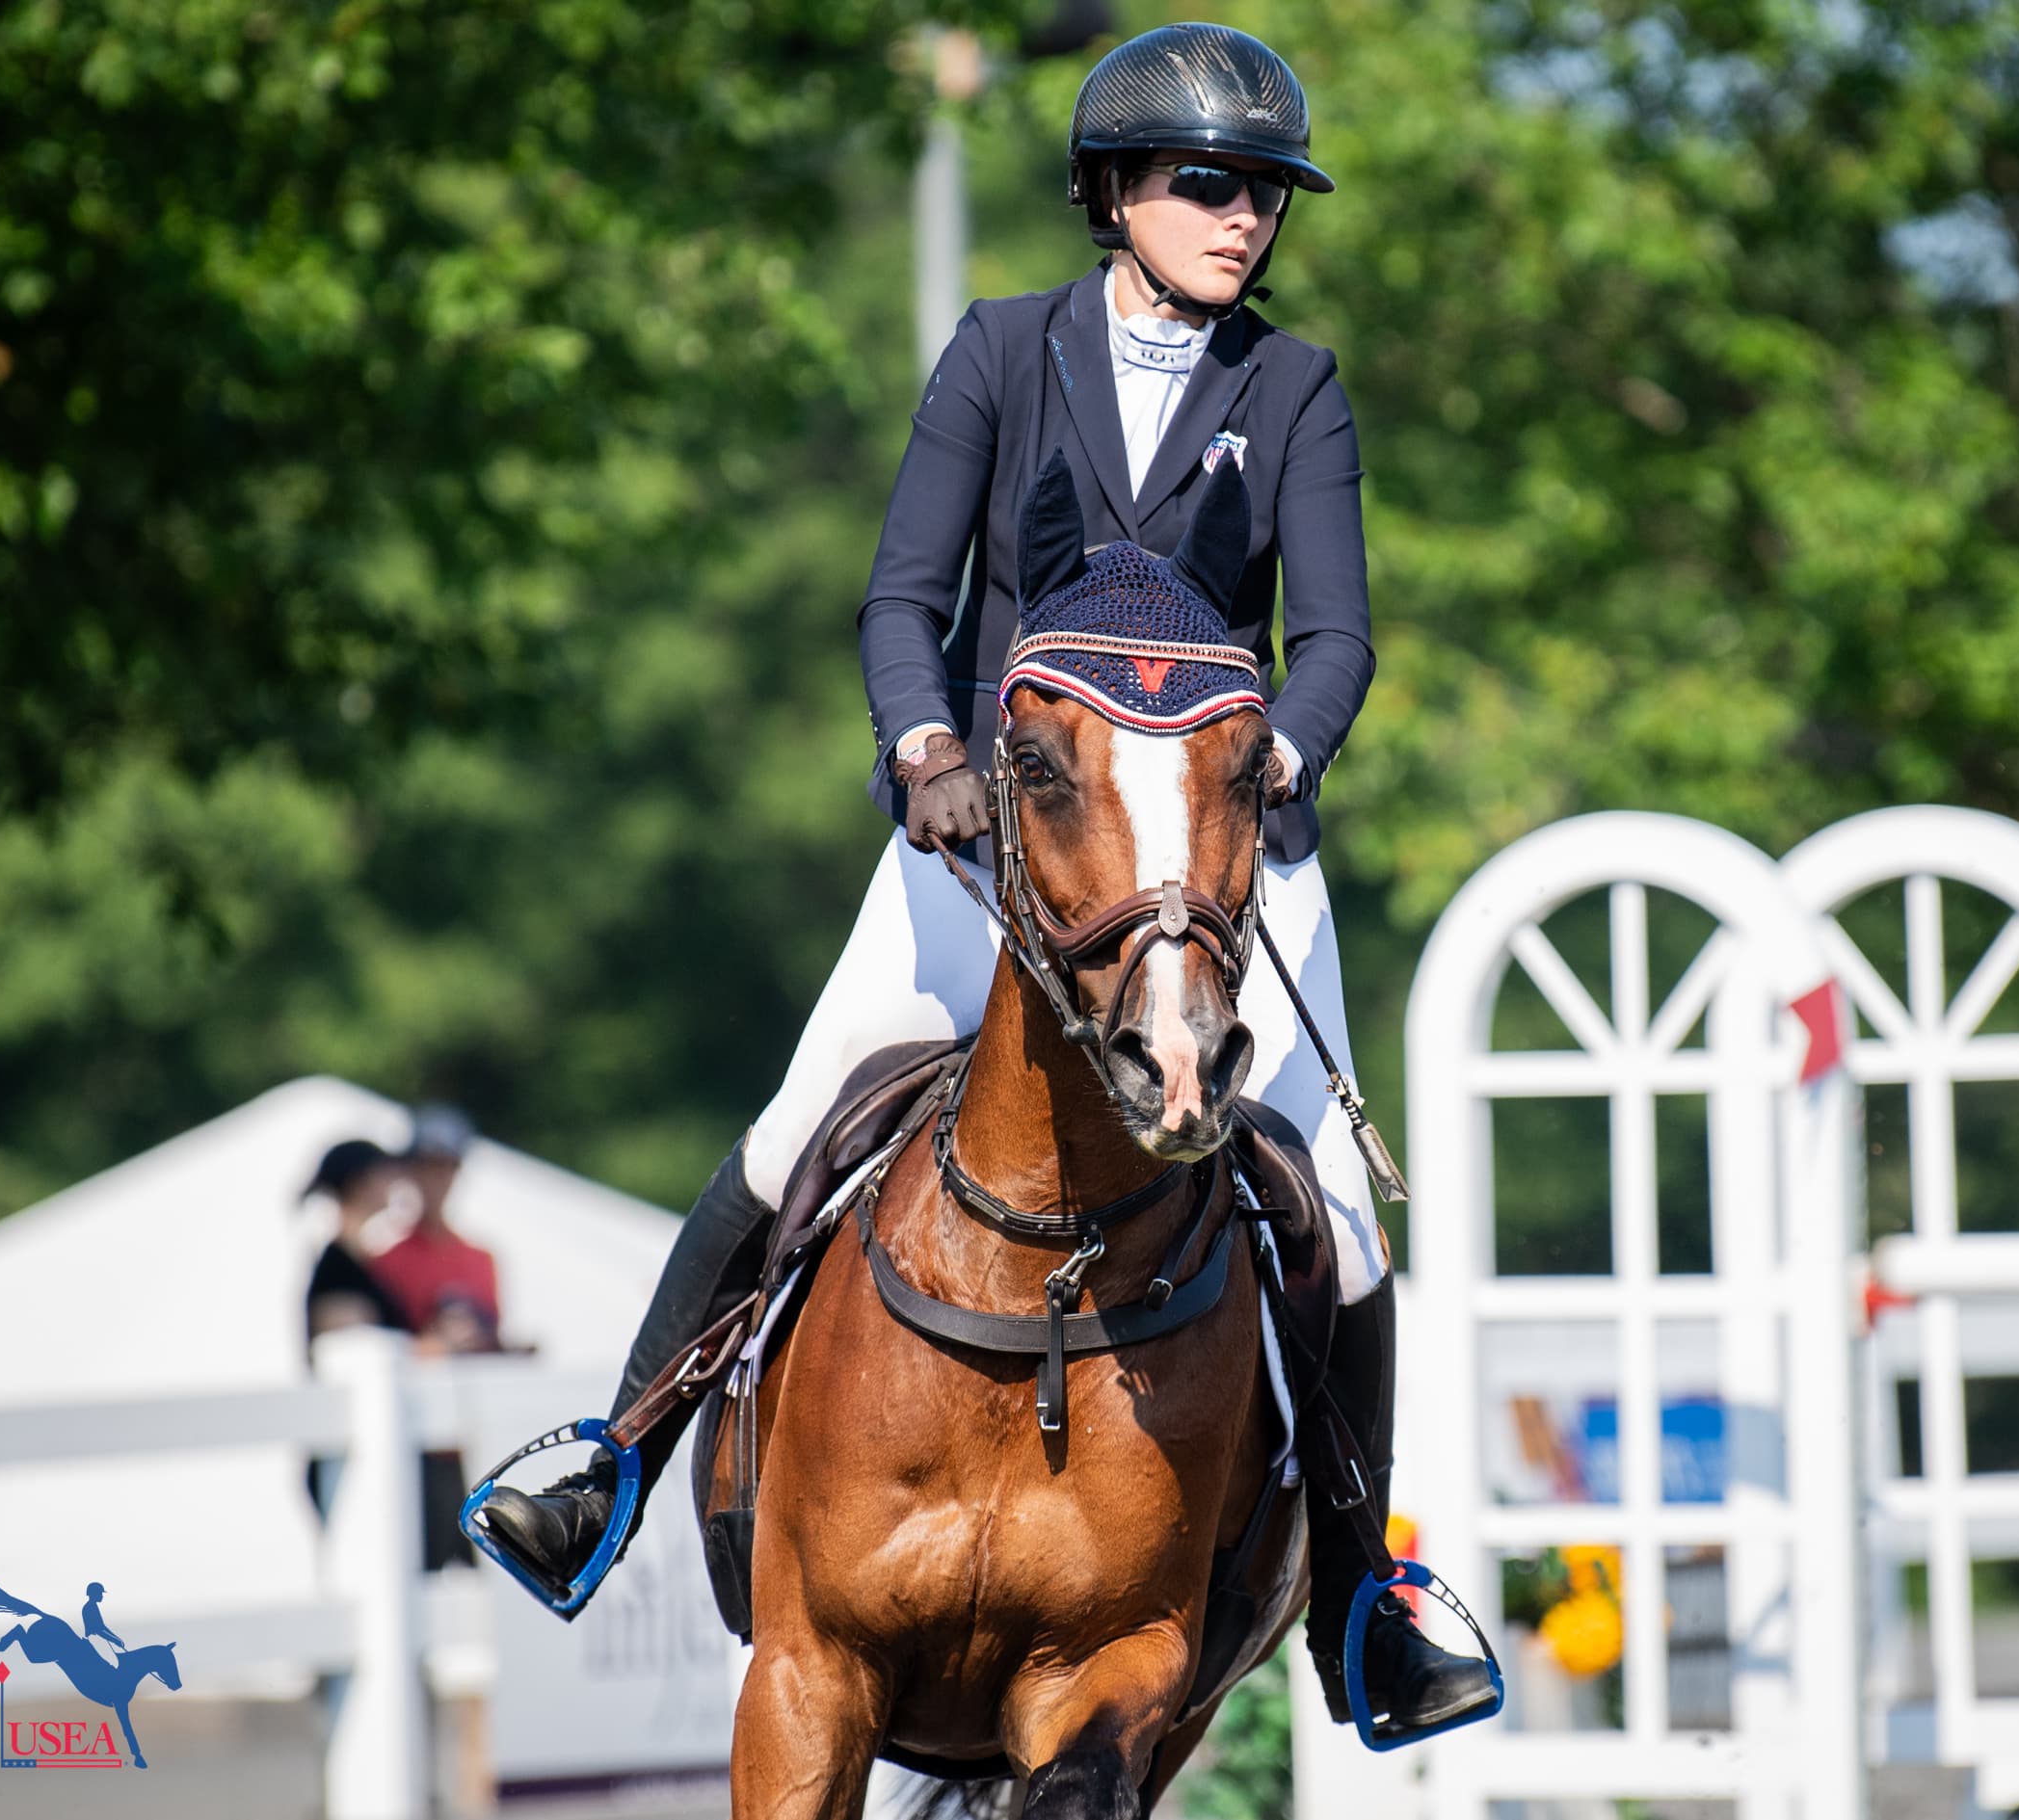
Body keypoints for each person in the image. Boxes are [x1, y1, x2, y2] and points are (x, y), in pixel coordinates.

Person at [476, 21, 1495, 1735]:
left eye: (1265, 193)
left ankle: (1359, 1591)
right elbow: (905, 597)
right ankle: (615, 1457)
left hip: (1217, 860)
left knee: (1339, 1212)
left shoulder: (1293, 386)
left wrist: (1277, 762)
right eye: (1209, 183)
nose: (1244, 216)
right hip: (994, 846)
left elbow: (1335, 636)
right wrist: (923, 749)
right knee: (797, 1126)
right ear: (1114, 191)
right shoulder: (1002, 350)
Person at [365, 1105, 504, 1356]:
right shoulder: (387, 1263)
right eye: (427, 1166)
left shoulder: (481, 1260)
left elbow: (492, 1339)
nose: (435, 1179)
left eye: (444, 1166)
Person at [302, 1138, 412, 1346]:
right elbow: (351, 1346)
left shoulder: (354, 1261)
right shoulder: (337, 1270)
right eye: (383, 1173)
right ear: (360, 1182)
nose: (392, 1181)